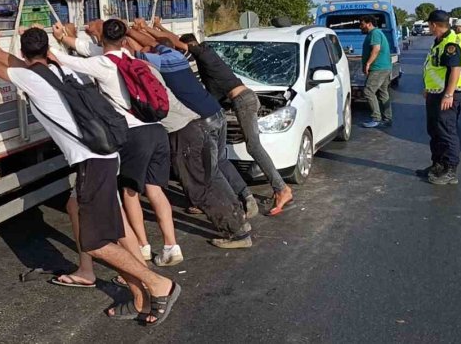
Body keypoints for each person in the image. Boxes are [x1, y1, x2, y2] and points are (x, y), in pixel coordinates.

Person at [0, 27, 181, 325]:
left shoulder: (31, 77)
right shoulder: (58, 70)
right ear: (47, 51)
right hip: (106, 155)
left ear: (24, 54)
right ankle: (138, 297)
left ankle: (159, 284)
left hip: (91, 162)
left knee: (95, 242)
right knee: (105, 225)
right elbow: (7, 61)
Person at [51, 19, 183, 266]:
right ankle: (171, 246)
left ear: (102, 39)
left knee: (130, 193)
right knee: (155, 190)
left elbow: (66, 61)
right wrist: (69, 39)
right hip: (157, 131)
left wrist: (56, 41)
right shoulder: (133, 60)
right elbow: (84, 48)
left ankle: (142, 247)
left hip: (134, 135)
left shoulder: (102, 63)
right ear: (125, 39)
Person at [149, 19, 293, 217]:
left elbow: (174, 42)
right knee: (223, 155)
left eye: (185, 49)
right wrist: (158, 27)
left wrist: (148, 29)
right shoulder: (204, 60)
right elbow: (174, 41)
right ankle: (254, 192)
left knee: (253, 146)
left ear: (191, 46)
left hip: (243, 100)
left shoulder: (205, 52)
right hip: (242, 100)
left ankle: (281, 188)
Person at [126, 24, 251, 248]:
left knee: (199, 185)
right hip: (205, 117)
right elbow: (152, 43)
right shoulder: (174, 55)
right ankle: (239, 218)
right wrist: (140, 30)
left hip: (185, 129)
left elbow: (132, 51)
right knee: (212, 174)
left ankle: (236, 232)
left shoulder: (150, 65)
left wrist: (125, 33)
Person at [416, 10, 461, 185]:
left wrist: (449, 94)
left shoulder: (450, 43)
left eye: (429, 25)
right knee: (435, 131)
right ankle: (438, 166)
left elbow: (454, 70)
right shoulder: (439, 42)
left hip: (446, 95)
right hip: (435, 93)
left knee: (447, 132)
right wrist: (429, 88)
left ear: (433, 24)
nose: (429, 28)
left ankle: (450, 170)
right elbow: (436, 68)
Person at [359, 15, 394, 128]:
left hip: (379, 68)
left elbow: (376, 49)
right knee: (383, 92)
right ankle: (387, 118)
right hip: (384, 67)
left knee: (368, 91)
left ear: (369, 23)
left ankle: (376, 118)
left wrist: (368, 63)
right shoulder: (375, 33)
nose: (361, 26)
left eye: (362, 24)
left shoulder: (375, 33)